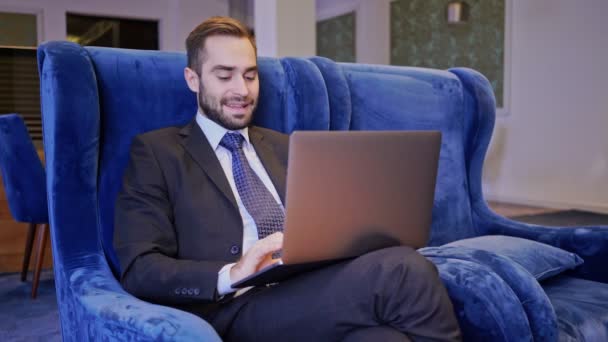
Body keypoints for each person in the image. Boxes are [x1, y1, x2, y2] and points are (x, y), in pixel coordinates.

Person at [114, 16, 461, 341]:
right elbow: (140, 268)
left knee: (384, 338)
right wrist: (231, 273)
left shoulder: (287, 146)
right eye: (224, 75)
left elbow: (326, 225)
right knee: (402, 270)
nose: (242, 90)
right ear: (194, 79)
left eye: (250, 75)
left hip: (304, 286)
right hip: (233, 306)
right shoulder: (157, 152)